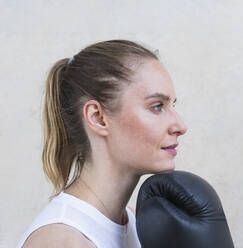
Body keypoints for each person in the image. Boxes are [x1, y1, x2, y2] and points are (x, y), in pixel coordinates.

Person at [17, 39, 188, 248]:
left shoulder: (133, 224)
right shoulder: (62, 241)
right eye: (157, 106)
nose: (180, 125)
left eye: (172, 105)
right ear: (98, 117)